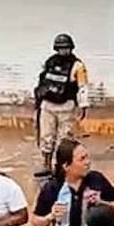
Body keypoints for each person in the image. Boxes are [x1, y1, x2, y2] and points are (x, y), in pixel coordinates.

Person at [34, 34, 91, 178]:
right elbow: (42, 83)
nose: (63, 51)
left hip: (67, 107)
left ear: (71, 48)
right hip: (47, 106)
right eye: (60, 48)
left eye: (66, 48)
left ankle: (59, 168)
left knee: (64, 140)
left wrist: (83, 105)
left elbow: (82, 86)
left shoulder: (78, 66)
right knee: (46, 137)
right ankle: (46, 165)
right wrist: (38, 101)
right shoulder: (50, 62)